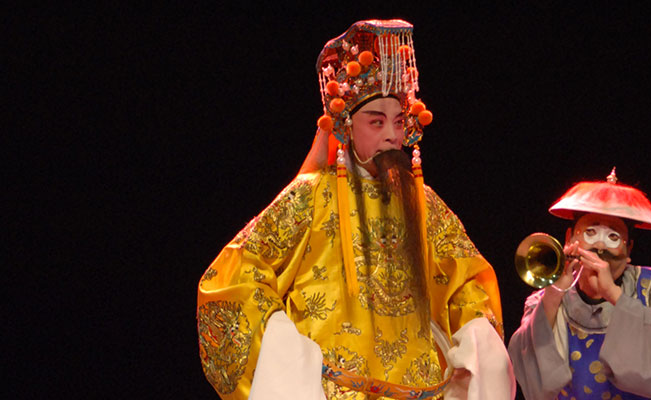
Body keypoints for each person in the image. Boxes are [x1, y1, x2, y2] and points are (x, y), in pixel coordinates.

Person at [197, 20, 514, 400]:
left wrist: (477, 331)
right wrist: (289, 353)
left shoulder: (424, 202)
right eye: (376, 122)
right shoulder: (311, 196)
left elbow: (465, 280)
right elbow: (234, 278)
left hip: (420, 389)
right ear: (346, 126)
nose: (391, 136)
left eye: (398, 122)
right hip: (334, 388)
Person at [508, 169, 651, 400]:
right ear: (569, 239)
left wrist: (614, 294)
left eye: (613, 237)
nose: (599, 246)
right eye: (590, 232)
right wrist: (555, 292)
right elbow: (527, 371)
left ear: (629, 250)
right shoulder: (545, 297)